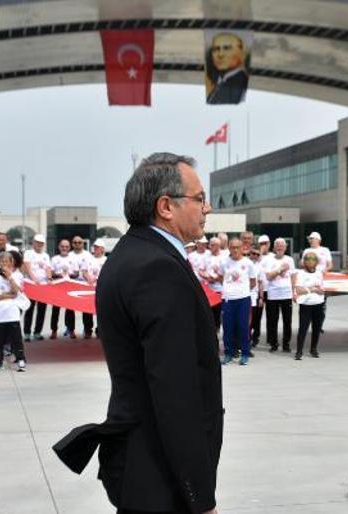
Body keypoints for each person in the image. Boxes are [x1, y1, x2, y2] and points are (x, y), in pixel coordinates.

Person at [53, 152, 221, 514]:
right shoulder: (158, 268)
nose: (206, 209)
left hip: (142, 465)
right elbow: (175, 391)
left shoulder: (129, 256)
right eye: (199, 198)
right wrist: (200, 497)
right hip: (161, 475)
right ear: (166, 206)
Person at [220, 237, 257, 365]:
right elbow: (221, 278)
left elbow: (253, 282)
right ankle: (228, 353)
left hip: (243, 300)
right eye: (232, 247)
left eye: (237, 247)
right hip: (228, 300)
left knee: (243, 327)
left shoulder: (248, 263)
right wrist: (229, 290)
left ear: (242, 248)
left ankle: (245, 353)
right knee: (228, 327)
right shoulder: (224, 262)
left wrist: (241, 290)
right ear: (229, 248)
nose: (235, 250)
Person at [0, 251, 26, 372]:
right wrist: (11, 295)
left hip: (12, 313)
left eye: (7, 261)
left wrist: (10, 278)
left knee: (16, 339)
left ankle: (21, 360)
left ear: (12, 263)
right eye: (2, 261)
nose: (5, 264)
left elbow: (16, 291)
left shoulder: (17, 275)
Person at [265, 238, 295, 353]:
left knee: (287, 321)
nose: (279, 247)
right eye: (277, 245)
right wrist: (280, 269)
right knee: (273, 320)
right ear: (274, 247)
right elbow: (268, 276)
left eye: (282, 245)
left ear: (285, 247)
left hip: (286, 294)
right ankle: (274, 344)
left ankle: (286, 344)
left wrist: (294, 292)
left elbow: (293, 276)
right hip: (273, 294)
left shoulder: (290, 260)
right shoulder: (269, 260)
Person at [293, 252, 325, 360]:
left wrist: (318, 290)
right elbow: (298, 290)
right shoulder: (300, 273)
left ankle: (313, 349)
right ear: (304, 262)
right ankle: (299, 351)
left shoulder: (319, 273)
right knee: (303, 329)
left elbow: (321, 289)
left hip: (318, 304)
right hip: (306, 305)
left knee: (317, 328)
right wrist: (311, 289)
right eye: (308, 259)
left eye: (313, 259)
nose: (310, 262)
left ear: (316, 262)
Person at [22, 234, 52, 341]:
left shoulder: (46, 255)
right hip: (31, 285)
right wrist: (34, 279)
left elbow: (48, 268)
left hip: (43, 286)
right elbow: (27, 267)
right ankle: (26, 333)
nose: (39, 245)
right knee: (29, 309)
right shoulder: (28, 253)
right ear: (33, 243)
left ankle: (37, 332)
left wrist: (49, 278)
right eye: (37, 242)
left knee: (42, 310)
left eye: (41, 243)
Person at [302, 231, 333, 333]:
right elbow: (302, 264)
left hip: (321, 281)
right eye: (309, 239)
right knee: (309, 302)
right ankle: (308, 324)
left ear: (318, 240)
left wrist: (326, 270)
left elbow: (330, 264)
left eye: (312, 239)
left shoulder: (325, 250)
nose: (310, 241)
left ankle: (318, 325)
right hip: (309, 280)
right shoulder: (306, 251)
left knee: (321, 304)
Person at [206, 32, 249, 104]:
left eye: (227, 48)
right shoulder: (219, 81)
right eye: (216, 49)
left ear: (242, 53)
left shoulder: (239, 81)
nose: (220, 54)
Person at [50, 239, 78, 339]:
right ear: (59, 247)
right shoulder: (54, 259)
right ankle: (54, 331)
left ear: (69, 248)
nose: (64, 248)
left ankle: (71, 330)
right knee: (55, 310)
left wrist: (69, 275)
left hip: (69, 287)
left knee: (70, 310)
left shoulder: (73, 259)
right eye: (62, 246)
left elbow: (76, 273)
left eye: (66, 247)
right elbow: (51, 273)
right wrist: (60, 275)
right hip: (57, 287)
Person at [70, 235, 95, 339]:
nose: (77, 244)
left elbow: (92, 269)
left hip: (85, 284)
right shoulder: (69, 255)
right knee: (70, 308)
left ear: (83, 244)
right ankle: (70, 330)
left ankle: (88, 330)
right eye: (75, 242)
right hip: (72, 283)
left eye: (79, 242)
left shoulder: (88, 255)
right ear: (72, 244)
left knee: (86, 308)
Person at [203, 237, 225, 331]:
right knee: (209, 312)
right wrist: (207, 277)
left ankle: (217, 328)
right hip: (209, 289)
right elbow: (201, 270)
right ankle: (212, 329)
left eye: (212, 245)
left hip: (220, 289)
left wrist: (216, 278)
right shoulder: (206, 257)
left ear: (218, 246)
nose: (210, 246)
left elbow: (226, 272)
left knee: (218, 312)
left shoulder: (224, 257)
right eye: (210, 244)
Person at [248, 247, 265, 348]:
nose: (255, 256)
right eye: (253, 253)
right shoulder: (245, 263)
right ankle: (247, 340)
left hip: (254, 296)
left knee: (255, 320)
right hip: (244, 295)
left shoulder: (260, 267)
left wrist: (261, 298)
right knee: (247, 320)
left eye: (257, 254)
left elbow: (261, 283)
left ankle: (254, 338)